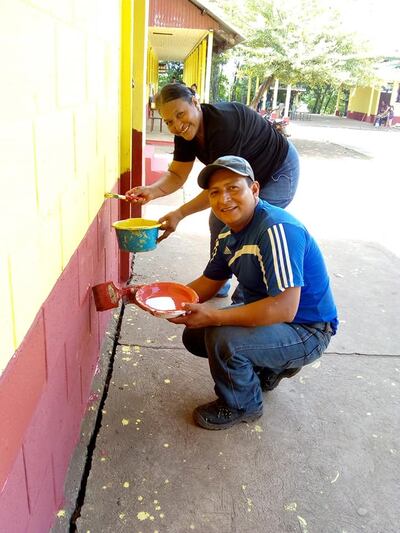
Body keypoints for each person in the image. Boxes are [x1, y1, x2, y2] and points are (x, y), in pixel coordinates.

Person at [169, 155, 338, 430]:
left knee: (222, 337)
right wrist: (165, 299)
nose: (224, 199)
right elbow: (210, 282)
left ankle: (242, 405)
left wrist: (214, 317)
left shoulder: (276, 229)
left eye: (233, 188)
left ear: (255, 190)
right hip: (275, 319)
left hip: (307, 329)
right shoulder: (228, 235)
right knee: (195, 336)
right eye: (215, 192)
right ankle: (271, 366)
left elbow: (284, 308)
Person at [125, 83, 300, 297]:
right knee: (219, 219)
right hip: (246, 175)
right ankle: (218, 279)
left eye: (180, 115)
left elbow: (223, 188)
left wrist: (179, 214)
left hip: (277, 170)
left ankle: (251, 295)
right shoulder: (185, 133)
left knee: (255, 223)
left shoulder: (224, 125)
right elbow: (178, 174)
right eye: (169, 121)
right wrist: (152, 191)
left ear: (195, 102)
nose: (177, 126)